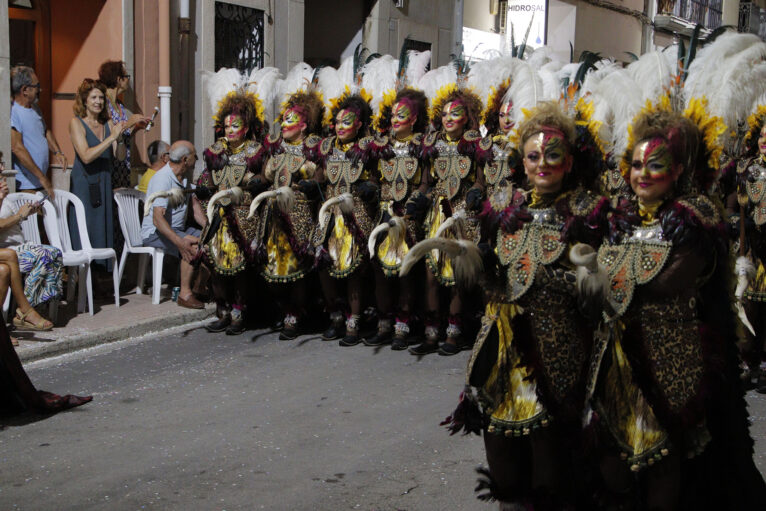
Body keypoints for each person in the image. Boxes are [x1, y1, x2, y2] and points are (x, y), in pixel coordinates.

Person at [574, 101, 766, 509]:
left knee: (662, 458)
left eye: (655, 164)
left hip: (671, 362)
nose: (642, 174)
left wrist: (603, 281)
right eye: (637, 164)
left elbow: (666, 283)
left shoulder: (692, 217)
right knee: (611, 457)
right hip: (614, 359)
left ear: (678, 170)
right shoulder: (618, 214)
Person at [429, 101, 608, 509]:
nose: (542, 164)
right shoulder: (507, 208)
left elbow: (603, 292)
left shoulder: (587, 211)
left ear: (569, 161)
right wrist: (472, 260)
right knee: (503, 463)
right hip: (501, 351)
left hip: (557, 354)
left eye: (553, 155)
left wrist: (587, 278)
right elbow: (492, 270)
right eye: (533, 156)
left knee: (550, 465)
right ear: (521, 161)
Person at [407, 83, 490, 355]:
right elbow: (426, 181)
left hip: (463, 216)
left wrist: (476, 194)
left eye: (455, 113)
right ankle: (432, 333)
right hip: (436, 215)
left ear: (467, 117)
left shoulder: (476, 145)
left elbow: (480, 181)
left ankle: (453, 334)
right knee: (431, 275)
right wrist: (420, 197)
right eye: (444, 114)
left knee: (456, 276)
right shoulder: (432, 144)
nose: (448, 119)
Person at [253, 87, 324, 340]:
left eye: (291, 120)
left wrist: (312, 183)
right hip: (273, 217)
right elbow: (263, 175)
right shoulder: (275, 147)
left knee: (297, 269)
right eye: (283, 119)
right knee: (273, 267)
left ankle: (295, 315)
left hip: (300, 216)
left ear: (304, 125)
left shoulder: (314, 147)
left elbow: (321, 176)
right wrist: (257, 182)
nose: (284, 124)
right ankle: (284, 309)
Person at [196, 84, 267, 335]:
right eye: (226, 126)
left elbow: (263, 178)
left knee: (239, 268)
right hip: (219, 218)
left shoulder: (255, 151)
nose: (230, 130)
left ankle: (239, 313)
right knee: (216, 265)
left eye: (235, 126)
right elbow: (207, 178)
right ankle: (222, 311)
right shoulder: (216, 151)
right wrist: (203, 189)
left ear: (245, 128)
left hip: (244, 216)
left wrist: (254, 182)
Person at [365, 86, 430, 349]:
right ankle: (384, 323)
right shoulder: (381, 145)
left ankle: (403, 326)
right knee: (380, 269)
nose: (394, 120)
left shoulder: (422, 145)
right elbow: (372, 176)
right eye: (392, 115)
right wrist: (369, 188)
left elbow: (426, 182)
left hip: (409, 217)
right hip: (384, 212)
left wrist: (418, 200)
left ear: (414, 119)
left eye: (401, 115)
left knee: (405, 271)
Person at [313, 88, 377, 346]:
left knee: (352, 269)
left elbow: (375, 179)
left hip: (356, 213)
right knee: (323, 265)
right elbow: (319, 175)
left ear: (359, 124)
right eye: (337, 121)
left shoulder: (368, 148)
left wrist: (369, 188)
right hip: (329, 213)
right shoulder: (326, 147)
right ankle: (336, 317)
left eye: (346, 122)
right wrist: (311, 184)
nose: (340, 126)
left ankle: (354, 321)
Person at [68, 79, 130, 270]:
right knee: (84, 227)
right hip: (85, 183)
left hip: (103, 180)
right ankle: (80, 275)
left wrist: (119, 140)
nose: (98, 101)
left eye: (101, 98)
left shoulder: (108, 124)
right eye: (94, 97)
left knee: (102, 228)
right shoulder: (76, 123)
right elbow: (86, 156)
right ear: (84, 100)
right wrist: (111, 137)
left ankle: (100, 275)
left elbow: (119, 157)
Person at [142, 141, 206, 309]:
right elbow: (158, 220)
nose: (197, 158)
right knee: (191, 245)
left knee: (210, 240)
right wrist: (180, 242)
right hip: (155, 231)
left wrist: (213, 229)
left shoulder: (184, 177)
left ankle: (200, 287)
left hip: (177, 228)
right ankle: (185, 294)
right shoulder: (162, 179)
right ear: (185, 159)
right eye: (194, 155)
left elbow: (196, 210)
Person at [0, 154, 63, 314]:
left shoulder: (3, 189)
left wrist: (27, 211)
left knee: (54, 253)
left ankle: (36, 305)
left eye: (2, 163)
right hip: (7, 248)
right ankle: (27, 309)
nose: (2, 168)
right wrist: (19, 215)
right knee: (44, 254)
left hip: (18, 245)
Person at [10, 65, 65, 199]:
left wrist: (57, 152)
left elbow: (45, 131)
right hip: (26, 186)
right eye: (36, 86)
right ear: (25, 90)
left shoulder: (35, 108)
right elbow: (17, 148)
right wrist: (41, 177)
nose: (40, 89)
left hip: (40, 181)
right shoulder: (13, 112)